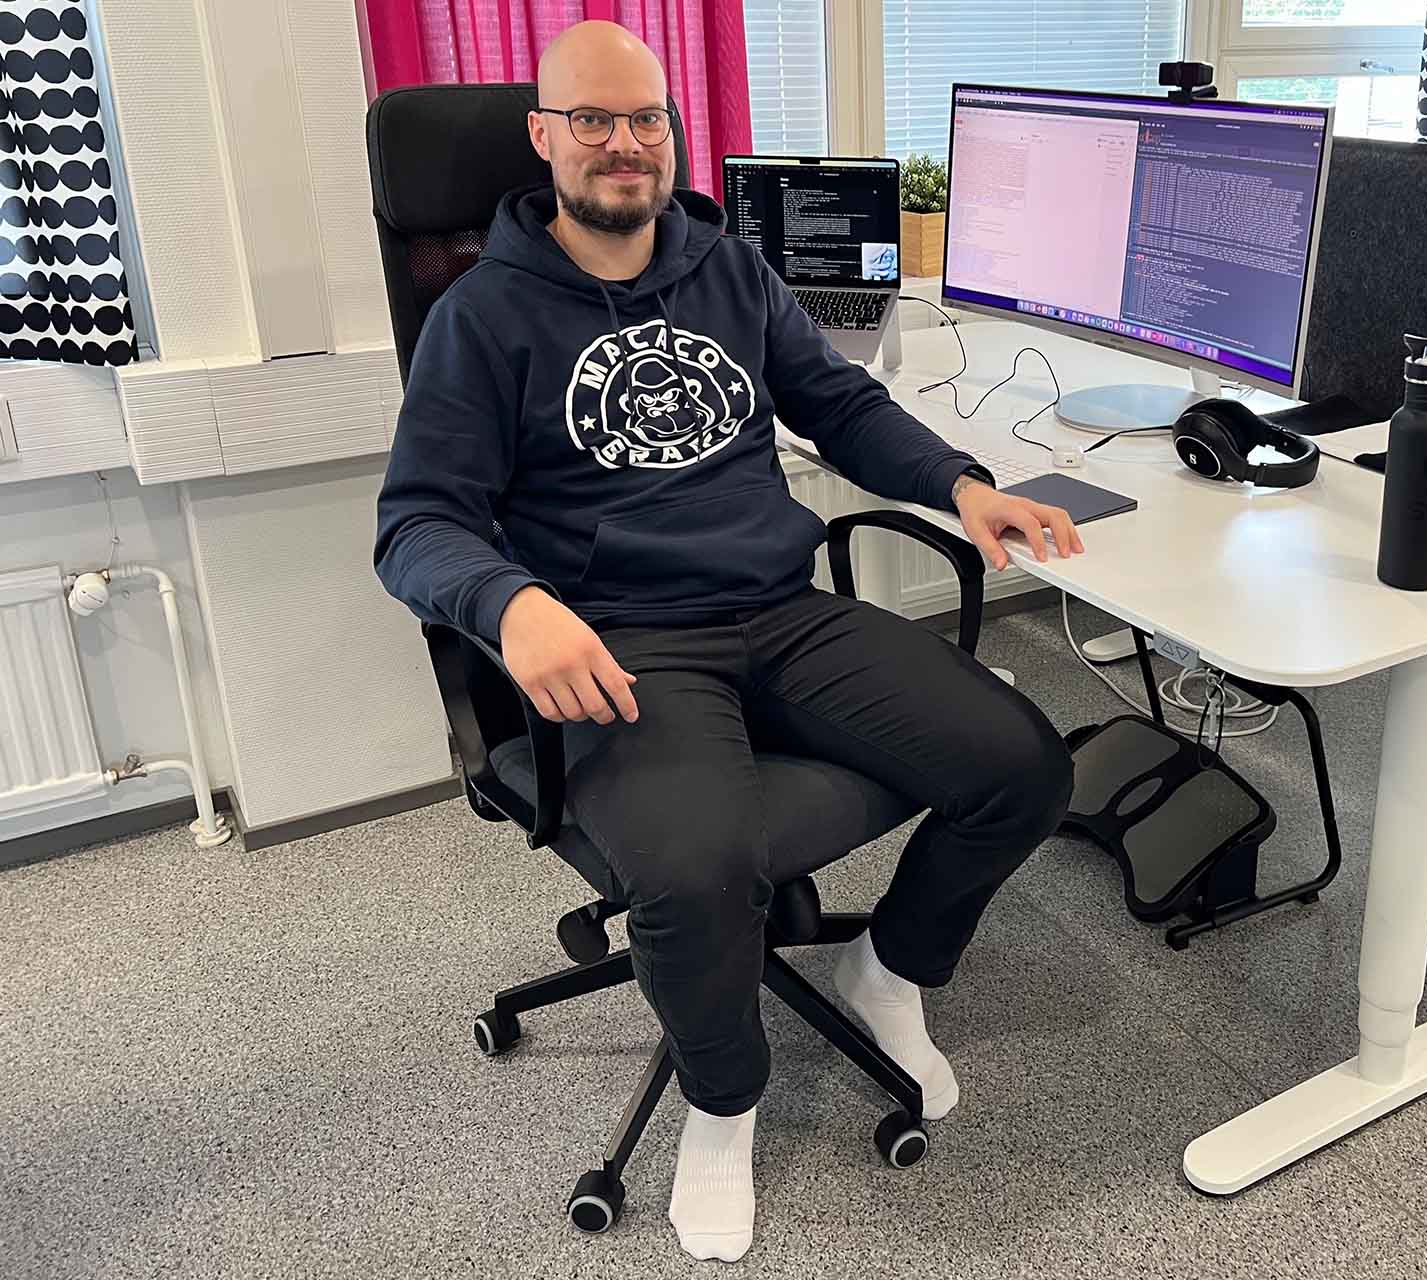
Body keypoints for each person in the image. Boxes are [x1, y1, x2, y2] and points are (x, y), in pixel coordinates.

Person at [373, 19, 1083, 1264]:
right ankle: (723, 1102)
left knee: (1023, 763)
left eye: (645, 118)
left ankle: (889, 966)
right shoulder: (482, 317)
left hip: (780, 610)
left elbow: (840, 403)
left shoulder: (731, 269)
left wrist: (961, 483)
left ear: (671, 132)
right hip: (624, 642)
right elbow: (416, 525)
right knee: (697, 870)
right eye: (590, 120)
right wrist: (510, 602)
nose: (623, 144)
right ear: (544, 139)